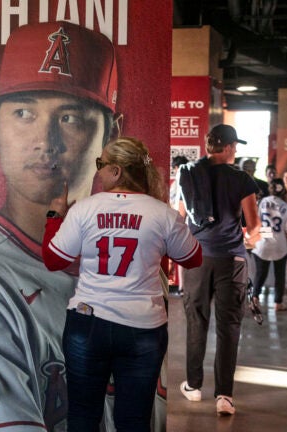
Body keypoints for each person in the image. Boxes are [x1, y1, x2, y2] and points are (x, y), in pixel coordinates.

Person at [0, 21, 119, 431]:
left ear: (110, 135)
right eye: (23, 112)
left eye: (69, 117)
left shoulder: (127, 263)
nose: (44, 140)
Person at [42, 137, 202, 431]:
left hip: (88, 325)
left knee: (82, 417)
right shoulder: (162, 213)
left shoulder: (85, 209)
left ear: (116, 171)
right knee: (133, 420)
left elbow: (53, 260)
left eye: (101, 165)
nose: (97, 172)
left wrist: (55, 215)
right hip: (143, 327)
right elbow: (193, 258)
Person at [176, 123, 261, 416]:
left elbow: (180, 218)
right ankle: (224, 396)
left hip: (197, 259)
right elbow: (254, 225)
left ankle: (194, 385)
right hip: (232, 261)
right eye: (235, 146)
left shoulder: (187, 174)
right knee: (229, 326)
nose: (236, 150)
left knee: (196, 320)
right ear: (226, 147)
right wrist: (252, 239)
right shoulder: (241, 179)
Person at [250, 178, 287, 311]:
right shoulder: (286, 207)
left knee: (260, 274)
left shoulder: (261, 203)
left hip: (262, 244)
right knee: (280, 275)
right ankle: (278, 303)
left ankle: (254, 298)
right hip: (280, 246)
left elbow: (255, 223)